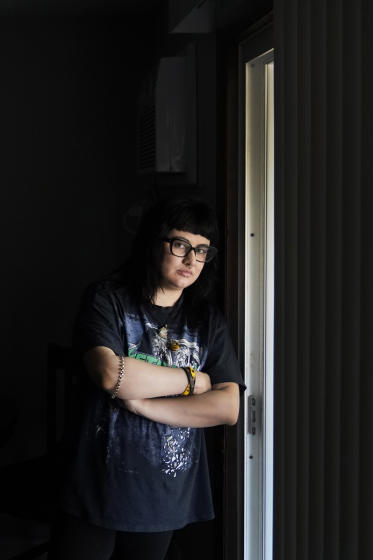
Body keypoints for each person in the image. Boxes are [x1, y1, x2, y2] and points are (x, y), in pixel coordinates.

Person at [50, 196, 245, 560]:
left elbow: (229, 406)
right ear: (154, 241)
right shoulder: (107, 299)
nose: (191, 260)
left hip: (164, 496)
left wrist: (143, 404)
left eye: (202, 250)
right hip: (95, 487)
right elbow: (111, 374)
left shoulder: (207, 320)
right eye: (180, 244)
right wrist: (193, 381)